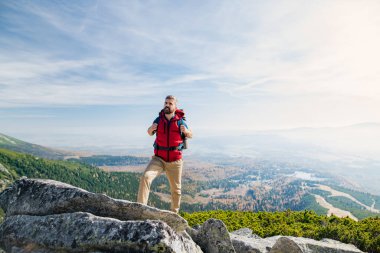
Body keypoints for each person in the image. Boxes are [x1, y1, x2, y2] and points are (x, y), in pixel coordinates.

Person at [137, 95, 192, 213]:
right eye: (166, 103)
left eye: (170, 103)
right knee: (146, 177)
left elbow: (191, 134)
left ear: (175, 106)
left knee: (176, 190)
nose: (167, 105)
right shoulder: (158, 119)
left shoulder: (180, 121)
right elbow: (149, 132)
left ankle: (174, 214)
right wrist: (151, 128)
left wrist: (186, 131)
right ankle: (140, 209)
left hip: (175, 161)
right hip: (159, 159)